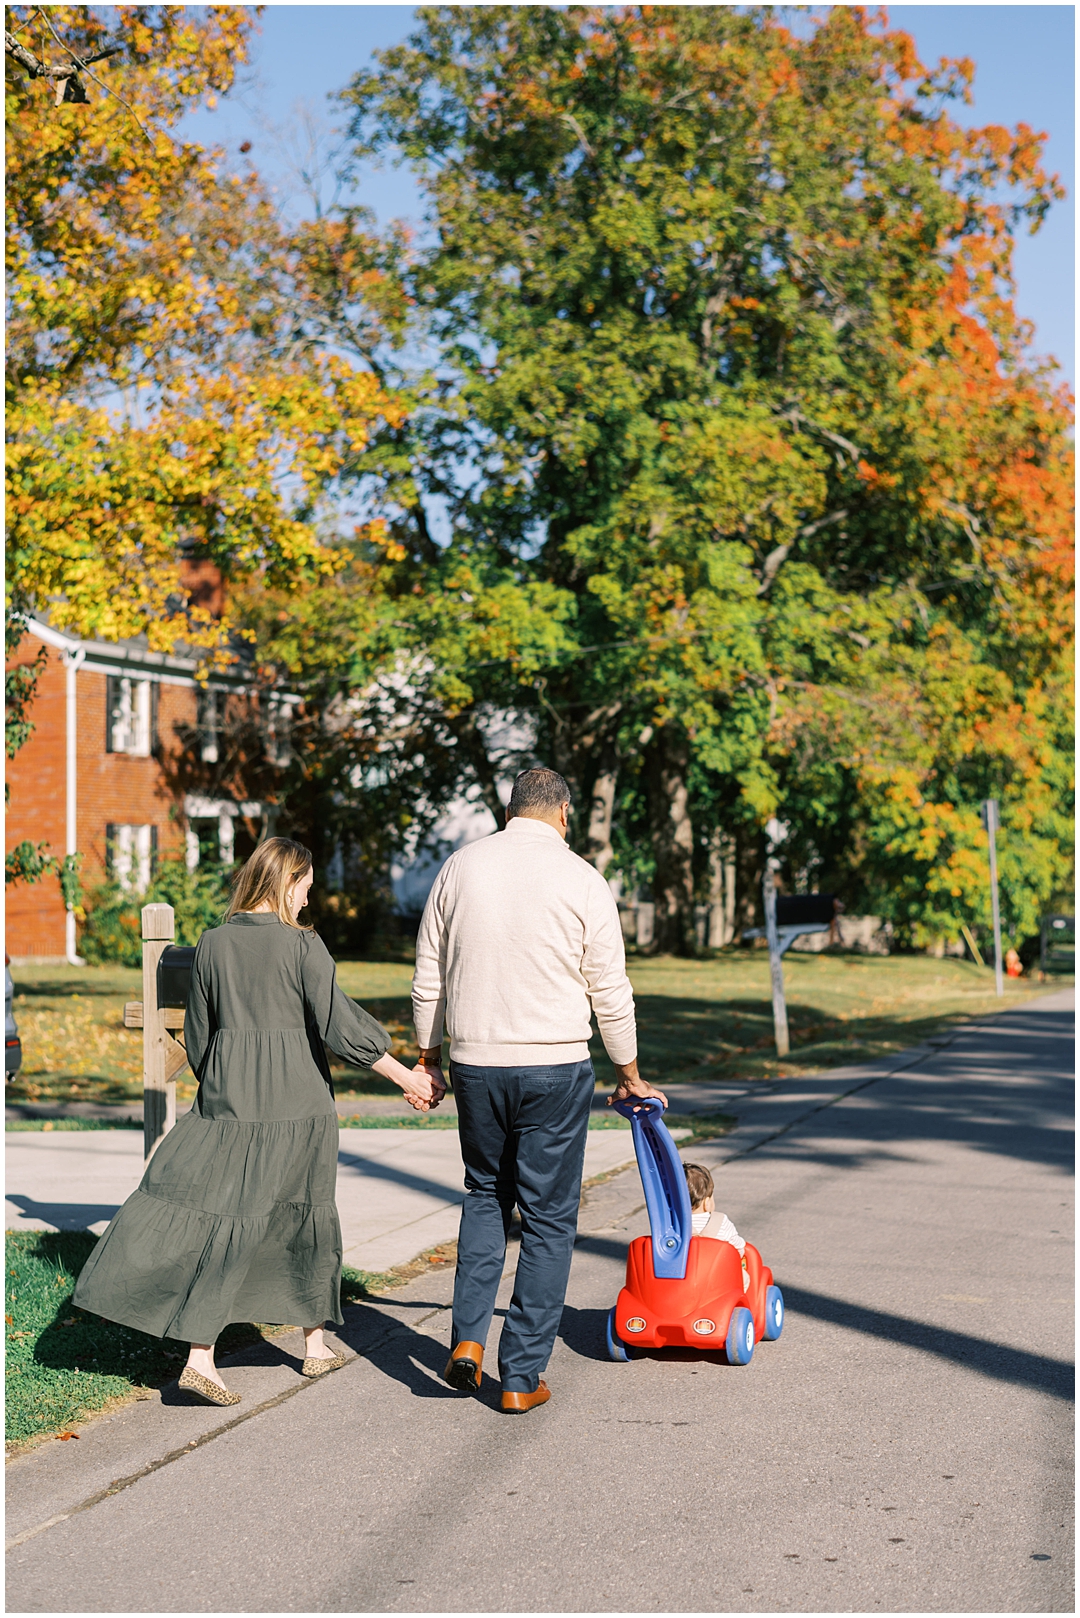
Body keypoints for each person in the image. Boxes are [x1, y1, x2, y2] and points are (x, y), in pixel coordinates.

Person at [74, 837, 444, 1406]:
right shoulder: (304, 946)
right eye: (305, 887)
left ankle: (202, 1356)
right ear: (285, 882)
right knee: (304, 1214)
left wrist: (224, 1085)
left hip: (230, 1103)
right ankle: (314, 1345)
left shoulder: (212, 944)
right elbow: (338, 1024)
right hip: (299, 1106)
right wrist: (408, 1078)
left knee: (228, 1220)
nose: (307, 899)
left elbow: (200, 1034)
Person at [412, 766, 667, 1414]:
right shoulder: (582, 879)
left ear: (511, 810)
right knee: (549, 1221)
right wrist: (629, 1073)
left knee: (483, 1195)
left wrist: (427, 1054)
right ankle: (521, 1376)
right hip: (554, 1067)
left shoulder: (459, 870)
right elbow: (610, 989)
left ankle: (467, 1340)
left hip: (476, 1060)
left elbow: (428, 978)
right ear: (562, 813)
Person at [684, 1162, 750, 1292]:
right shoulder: (721, 1221)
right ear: (707, 1203)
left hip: (683, 1280)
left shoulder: (671, 1226)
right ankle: (740, 1302)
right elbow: (738, 1248)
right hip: (717, 1282)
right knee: (745, 1278)